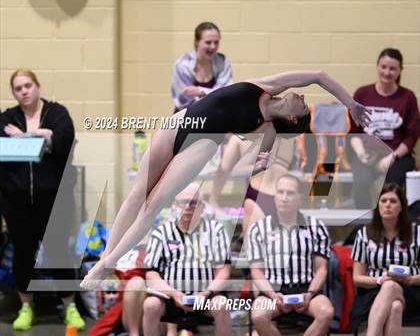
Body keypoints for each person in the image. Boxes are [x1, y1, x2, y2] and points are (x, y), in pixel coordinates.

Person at [81, 69, 370, 288]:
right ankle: (107, 255)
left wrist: (259, 164)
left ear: (294, 118)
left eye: (303, 106)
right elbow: (318, 76)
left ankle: (109, 262)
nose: (303, 97)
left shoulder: (267, 129)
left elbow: (248, 165)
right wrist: (350, 103)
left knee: (152, 205)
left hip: (201, 143)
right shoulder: (268, 88)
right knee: (137, 194)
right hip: (180, 122)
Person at [0, 69, 84, 330]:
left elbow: (64, 142)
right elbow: (5, 151)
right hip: (17, 200)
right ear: (13, 93)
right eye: (18, 88)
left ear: (38, 86)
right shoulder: (7, 119)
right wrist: (42, 137)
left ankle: (69, 305)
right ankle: (26, 306)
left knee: (59, 251)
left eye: (28, 85)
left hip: (54, 199)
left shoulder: (57, 114)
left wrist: (23, 138)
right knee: (23, 252)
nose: (24, 91)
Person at [137, 183, 233, 336]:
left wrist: (206, 293)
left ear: (202, 206)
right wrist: (173, 293)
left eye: (194, 203)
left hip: (205, 298)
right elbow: (151, 274)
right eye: (183, 202)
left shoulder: (215, 230)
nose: (189, 207)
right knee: (151, 304)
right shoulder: (161, 233)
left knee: (223, 303)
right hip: (171, 299)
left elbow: (223, 272)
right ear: (174, 206)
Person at [247, 174, 334, 336]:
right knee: (258, 314)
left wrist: (311, 293)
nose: (284, 198)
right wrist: (270, 295)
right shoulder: (258, 228)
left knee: (326, 312)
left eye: (290, 193)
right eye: (280, 192)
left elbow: (321, 268)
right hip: (273, 290)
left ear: (300, 199)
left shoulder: (315, 226)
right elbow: (256, 272)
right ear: (275, 197)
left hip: (306, 289)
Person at [349, 183, 420, 336]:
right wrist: (380, 280)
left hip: (412, 291)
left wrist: (411, 278)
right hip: (373, 292)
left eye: (393, 201)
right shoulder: (364, 234)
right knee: (394, 305)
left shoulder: (417, 233)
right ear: (377, 206)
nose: (388, 205)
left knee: (393, 289)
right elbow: (357, 278)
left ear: (401, 207)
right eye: (383, 201)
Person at [350, 48, 420, 208]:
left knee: (390, 188)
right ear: (377, 66)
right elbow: (354, 131)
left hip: (397, 157)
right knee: (361, 184)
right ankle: (366, 225)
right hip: (367, 155)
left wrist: (392, 157)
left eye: (392, 68)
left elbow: (412, 136)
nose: (387, 72)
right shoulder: (362, 94)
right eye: (383, 67)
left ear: (400, 70)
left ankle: (390, 225)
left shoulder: (407, 97)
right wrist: (362, 155)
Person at [171, 21, 233, 112]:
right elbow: (183, 102)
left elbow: (226, 94)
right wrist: (212, 95)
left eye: (216, 42)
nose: (213, 47)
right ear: (196, 42)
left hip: (213, 116)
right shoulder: (182, 65)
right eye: (208, 42)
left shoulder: (223, 61)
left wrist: (200, 91)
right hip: (186, 118)